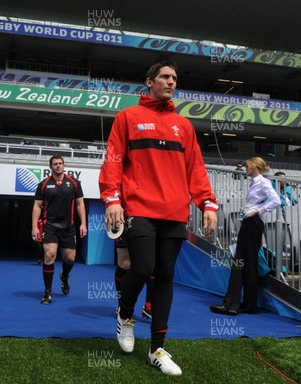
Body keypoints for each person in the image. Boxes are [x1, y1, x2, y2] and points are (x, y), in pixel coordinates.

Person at [99, 61, 219, 376]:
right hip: (138, 209)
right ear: (149, 81)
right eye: (165, 77)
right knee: (141, 267)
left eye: (175, 78)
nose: (171, 82)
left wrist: (207, 203)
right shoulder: (128, 117)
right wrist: (111, 198)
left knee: (164, 276)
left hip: (175, 212)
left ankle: (157, 350)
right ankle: (125, 315)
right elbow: (113, 160)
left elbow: (195, 168)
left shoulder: (185, 126)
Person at [210, 157, 280, 316]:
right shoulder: (255, 182)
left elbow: (276, 201)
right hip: (251, 223)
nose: (245, 168)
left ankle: (231, 305)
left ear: (255, 167)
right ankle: (249, 305)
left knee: (239, 262)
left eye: (248, 166)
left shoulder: (263, 182)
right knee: (248, 264)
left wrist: (259, 211)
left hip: (253, 222)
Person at [32, 155, 87, 305]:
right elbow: (37, 206)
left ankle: (64, 276)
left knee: (70, 258)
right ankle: (48, 292)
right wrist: (34, 227)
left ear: (64, 165)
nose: (58, 166)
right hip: (50, 227)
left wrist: (83, 224)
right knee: (49, 255)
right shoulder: (43, 185)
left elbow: (80, 204)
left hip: (68, 228)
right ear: (50, 167)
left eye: (60, 163)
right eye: (55, 164)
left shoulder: (74, 183)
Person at [114, 233, 154, 320]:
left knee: (150, 264)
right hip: (125, 223)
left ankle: (149, 306)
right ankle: (121, 305)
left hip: (148, 224)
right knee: (124, 263)